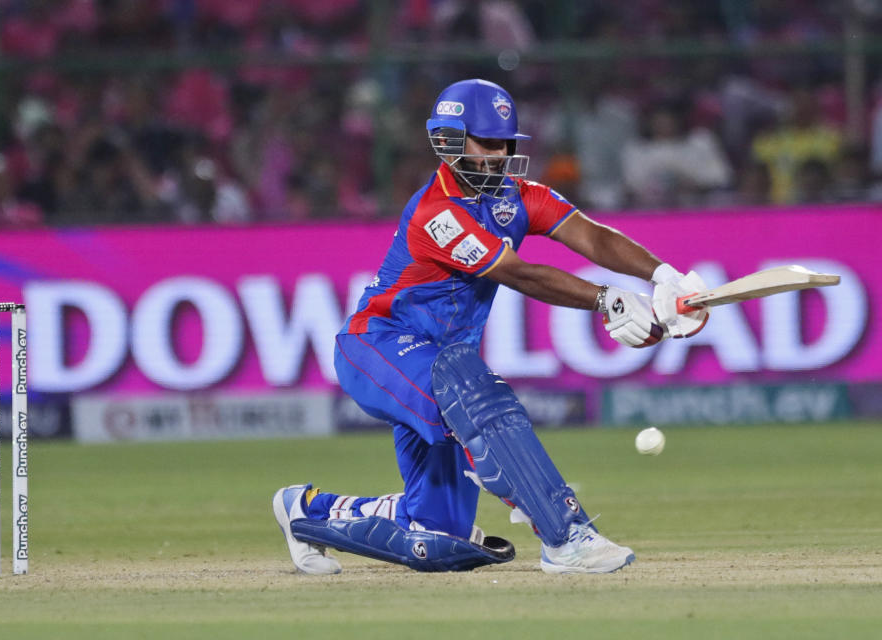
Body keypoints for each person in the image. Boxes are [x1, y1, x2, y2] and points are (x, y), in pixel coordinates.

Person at [273, 79, 709, 575]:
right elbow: (515, 272)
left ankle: (305, 512)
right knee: (473, 385)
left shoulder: (516, 196)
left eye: (505, 144)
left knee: (440, 536)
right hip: (377, 347)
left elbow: (589, 235)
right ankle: (566, 538)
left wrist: (662, 276)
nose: (499, 155)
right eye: (486, 143)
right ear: (449, 140)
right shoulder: (436, 213)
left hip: (439, 366)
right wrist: (607, 300)